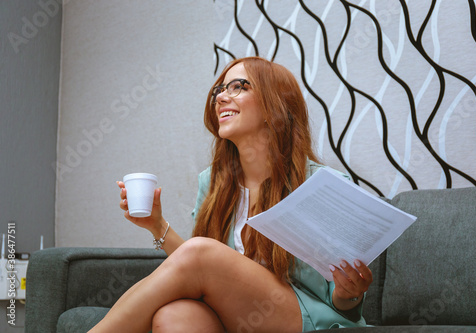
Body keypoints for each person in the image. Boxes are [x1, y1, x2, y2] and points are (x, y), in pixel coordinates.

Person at [89, 56, 373, 333]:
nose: (221, 97)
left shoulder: (322, 185)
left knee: (200, 253)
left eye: (239, 86)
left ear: (273, 106)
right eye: (220, 90)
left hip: (307, 316)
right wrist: (156, 225)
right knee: (174, 316)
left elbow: (341, 298)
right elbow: (199, 269)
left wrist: (349, 292)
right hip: (237, 316)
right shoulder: (213, 183)